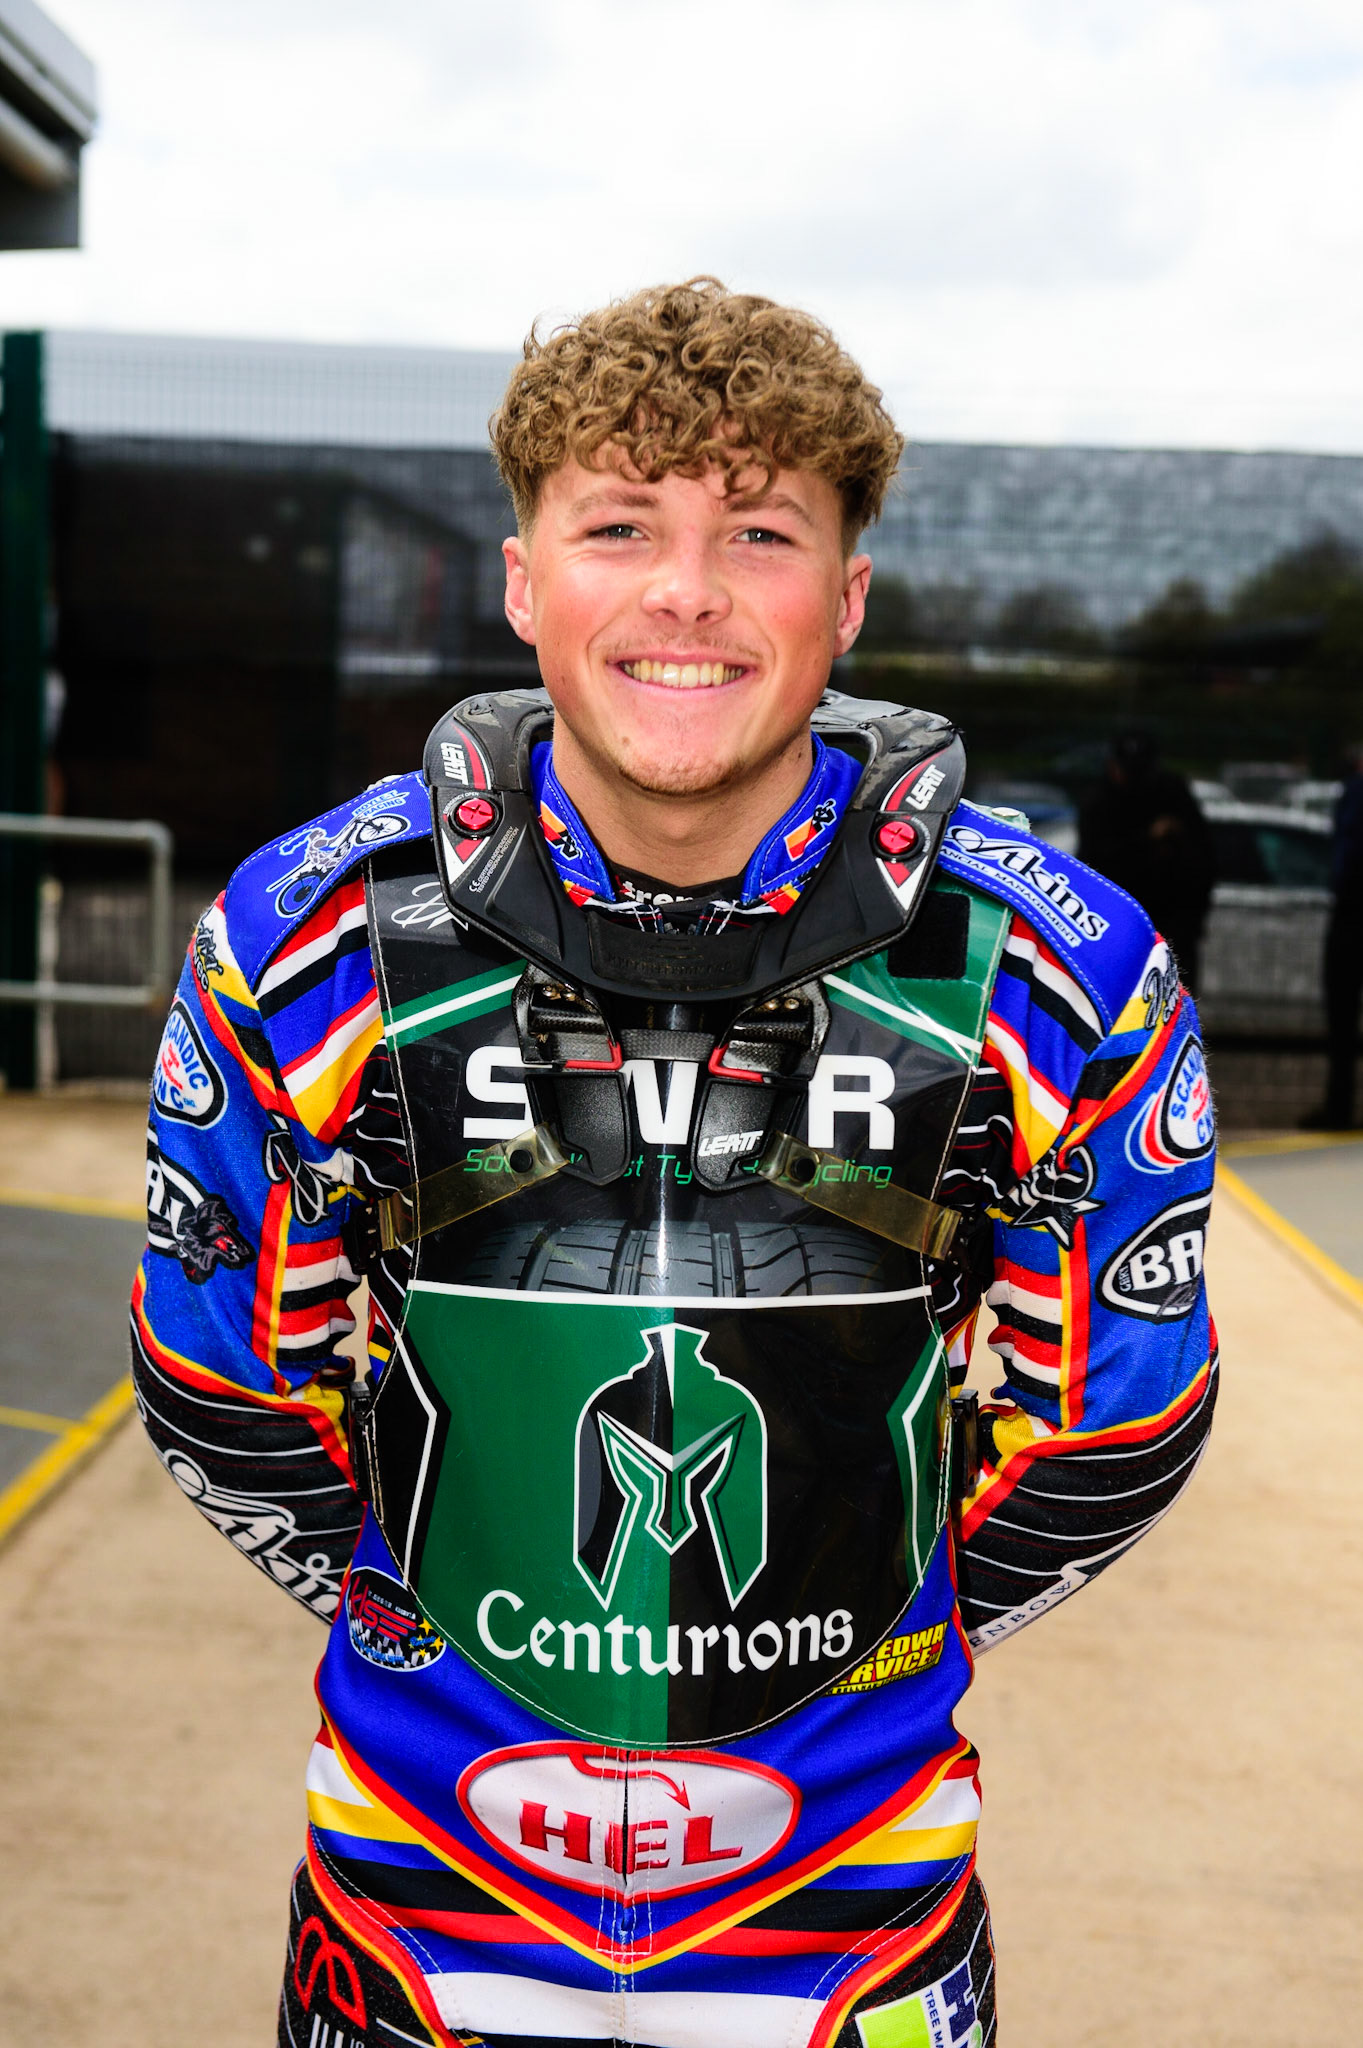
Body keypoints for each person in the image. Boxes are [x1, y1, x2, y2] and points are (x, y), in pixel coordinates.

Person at [132, 281, 1217, 2048]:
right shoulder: (307, 933)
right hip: (415, 1894)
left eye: (759, 532)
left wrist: (854, 1640)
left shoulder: (1055, 971)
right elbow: (220, 1379)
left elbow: (1115, 1424)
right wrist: (434, 1636)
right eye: (620, 524)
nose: (687, 591)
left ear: (845, 596)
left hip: (850, 1914)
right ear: (522, 580)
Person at [1078, 731, 1215, 992]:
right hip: (1116, 924)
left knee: (1171, 998)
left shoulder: (1172, 795)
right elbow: (1097, 860)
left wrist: (1193, 921)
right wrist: (1147, 838)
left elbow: (1201, 860)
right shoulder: (1100, 800)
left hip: (1169, 923)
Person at [1304, 743, 1363, 1129]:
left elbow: (1345, 857)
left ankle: (1338, 1108)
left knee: (1341, 1016)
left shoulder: (1354, 793)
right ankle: (1338, 1107)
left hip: (1351, 913)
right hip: (1351, 909)